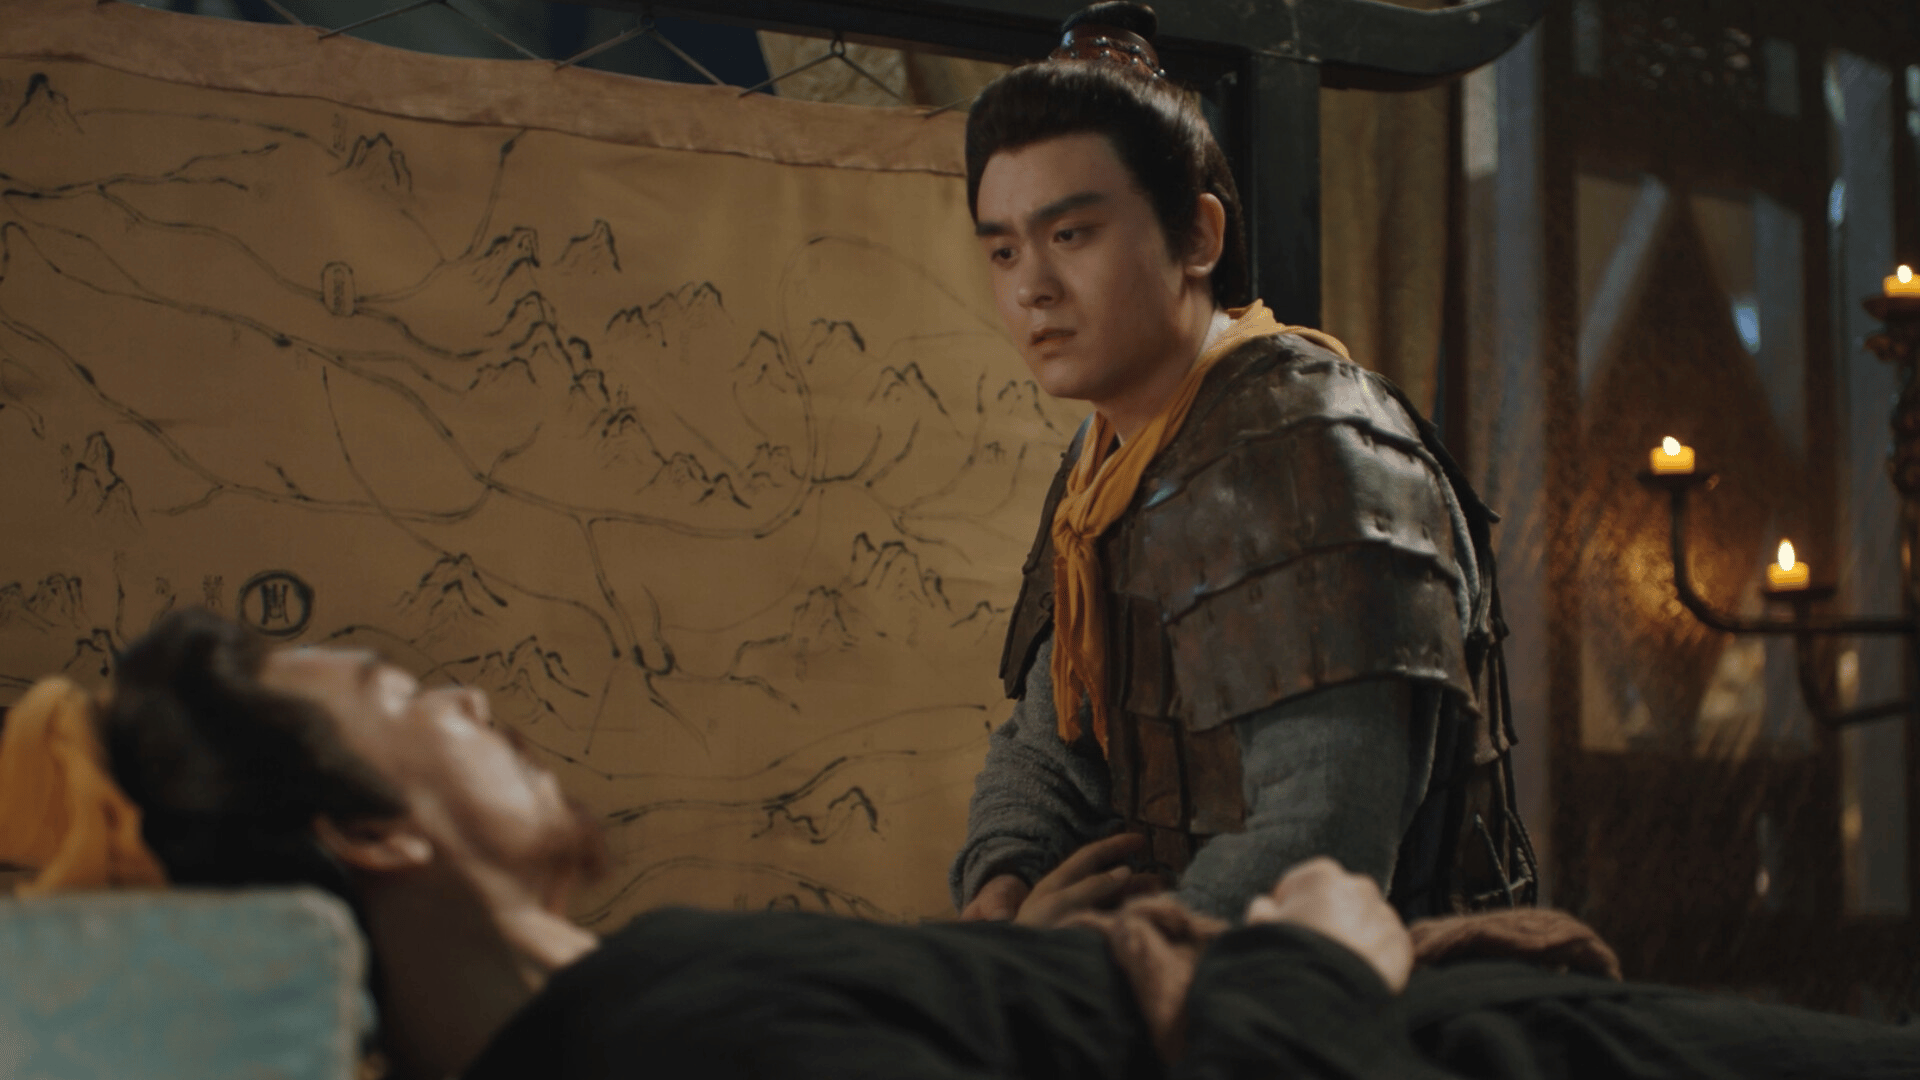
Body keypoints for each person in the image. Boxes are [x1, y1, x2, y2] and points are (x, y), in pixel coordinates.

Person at [3, 607, 1915, 1080]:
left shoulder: (647, 996)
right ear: (367, 830)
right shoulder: (657, 1054)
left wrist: (1024, 952)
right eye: (403, 694)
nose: (471, 693)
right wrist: (1315, 965)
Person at [951, 2, 1531, 925]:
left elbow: (1322, 834)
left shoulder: (1312, 440)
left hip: (1367, 982)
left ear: (1197, 237)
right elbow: (1047, 743)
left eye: (1071, 235)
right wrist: (1004, 891)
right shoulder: (1104, 461)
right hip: (1158, 965)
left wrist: (1078, 962)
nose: (1032, 287)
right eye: (1003, 248)